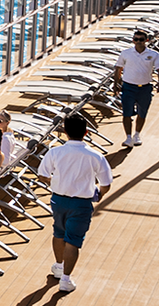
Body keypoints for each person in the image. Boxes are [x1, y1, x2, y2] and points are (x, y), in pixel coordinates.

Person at [37, 115, 112, 293]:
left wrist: (55, 184)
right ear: (86, 132)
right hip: (81, 204)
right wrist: (99, 195)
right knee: (73, 242)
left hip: (58, 200)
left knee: (58, 233)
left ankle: (58, 266)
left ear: (65, 132)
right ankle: (65, 279)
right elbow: (106, 183)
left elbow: (42, 174)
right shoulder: (95, 156)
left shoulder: (55, 152)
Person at [115, 30, 159, 146]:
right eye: (136, 39)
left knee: (142, 113)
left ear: (146, 40)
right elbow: (118, 68)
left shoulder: (153, 54)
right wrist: (116, 84)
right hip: (128, 87)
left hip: (145, 88)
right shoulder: (126, 53)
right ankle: (128, 137)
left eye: (141, 39)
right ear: (133, 40)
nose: (138, 42)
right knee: (126, 113)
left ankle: (137, 135)